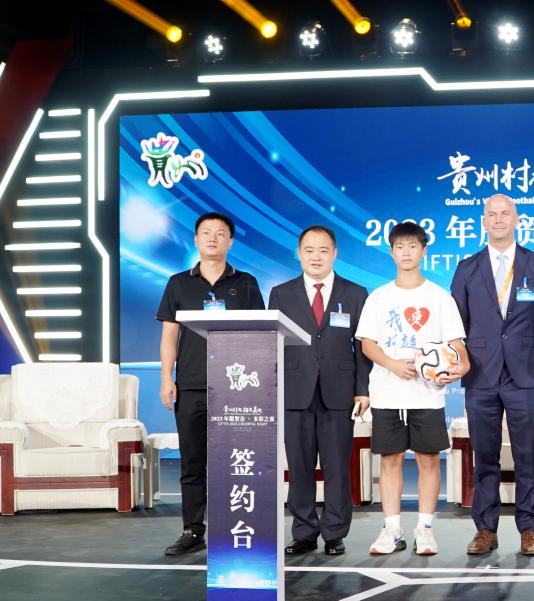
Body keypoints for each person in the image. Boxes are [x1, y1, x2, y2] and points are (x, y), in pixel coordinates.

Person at [355, 221, 470, 556]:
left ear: (423, 251)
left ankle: (425, 529)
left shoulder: (439, 297)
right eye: (400, 247)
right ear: (391, 252)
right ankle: (392, 529)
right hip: (387, 393)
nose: (406, 252)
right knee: (390, 460)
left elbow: (456, 345)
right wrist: (392, 364)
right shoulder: (379, 297)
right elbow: (367, 344)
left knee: (428, 459)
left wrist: (461, 365)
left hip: (427, 394)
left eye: (413, 246)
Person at [156, 211, 265, 556]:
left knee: (235, 461)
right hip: (190, 384)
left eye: (220, 233)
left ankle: (234, 527)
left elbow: (259, 334)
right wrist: (166, 378)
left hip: (235, 386)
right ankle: (192, 530)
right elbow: (169, 335)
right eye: (206, 232)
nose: (213, 238)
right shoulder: (178, 283)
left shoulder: (246, 283)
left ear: (230, 242)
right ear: (196, 239)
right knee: (192, 461)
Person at [451, 194, 534, 557]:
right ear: (483, 221)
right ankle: (485, 529)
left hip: (524, 372)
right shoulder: (467, 267)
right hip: (480, 373)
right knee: (485, 456)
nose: (498, 219)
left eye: (505, 213)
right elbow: (457, 321)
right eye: (491, 214)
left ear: (516, 219)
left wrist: (523, 346)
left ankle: (529, 528)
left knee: (527, 455)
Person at [268, 225, 371, 557]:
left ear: (334, 254)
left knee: (337, 466)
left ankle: (335, 533)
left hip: (339, 391)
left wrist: (362, 389)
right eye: (309, 250)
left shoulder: (355, 293)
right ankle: (304, 532)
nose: (316, 257)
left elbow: (363, 347)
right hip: (294, 389)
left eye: (323, 250)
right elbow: (272, 344)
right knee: (299, 467)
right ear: (298, 253)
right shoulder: (281, 293)